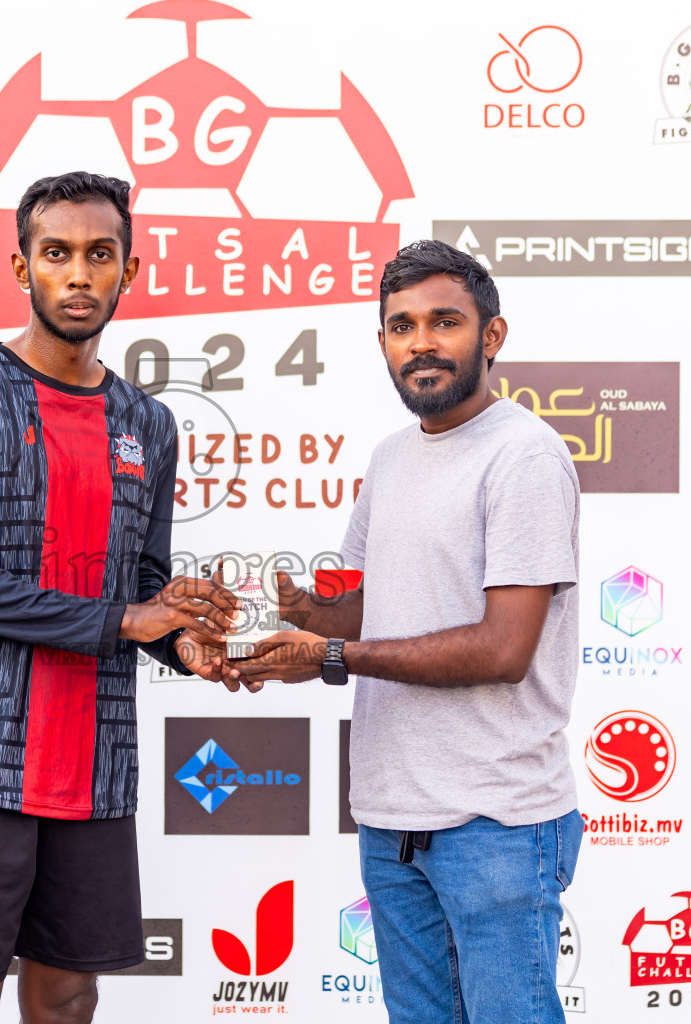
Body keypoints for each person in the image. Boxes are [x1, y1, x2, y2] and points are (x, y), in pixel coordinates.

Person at [0, 170, 237, 1024]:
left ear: (129, 270)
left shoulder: (148, 423)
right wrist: (128, 619)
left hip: (95, 760)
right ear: (22, 270)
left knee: (69, 996)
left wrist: (180, 639)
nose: (79, 274)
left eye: (100, 254)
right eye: (57, 254)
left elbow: (143, 586)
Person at [224, 239, 583, 1023]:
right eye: (400, 325)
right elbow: (359, 610)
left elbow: (503, 648)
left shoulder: (524, 457)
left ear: (492, 337)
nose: (420, 342)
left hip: (496, 820)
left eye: (444, 321)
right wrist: (285, 611)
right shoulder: (391, 458)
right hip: (393, 821)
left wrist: (329, 654)